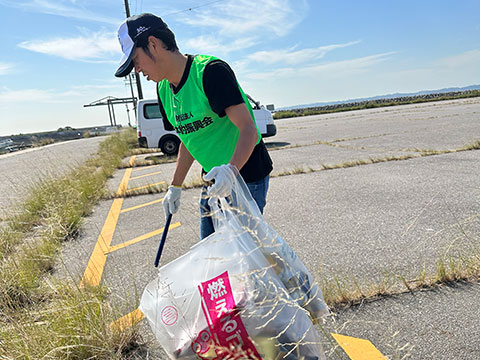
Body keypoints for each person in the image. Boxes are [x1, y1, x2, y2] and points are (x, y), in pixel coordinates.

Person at [115, 13, 273, 239]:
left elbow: (248, 128)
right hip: (214, 180)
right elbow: (188, 140)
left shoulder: (210, 72)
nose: (137, 70)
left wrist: (231, 172)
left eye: (136, 60)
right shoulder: (163, 90)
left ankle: (287, 275)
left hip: (246, 176)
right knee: (210, 252)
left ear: (153, 44)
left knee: (244, 256)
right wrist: (175, 187)